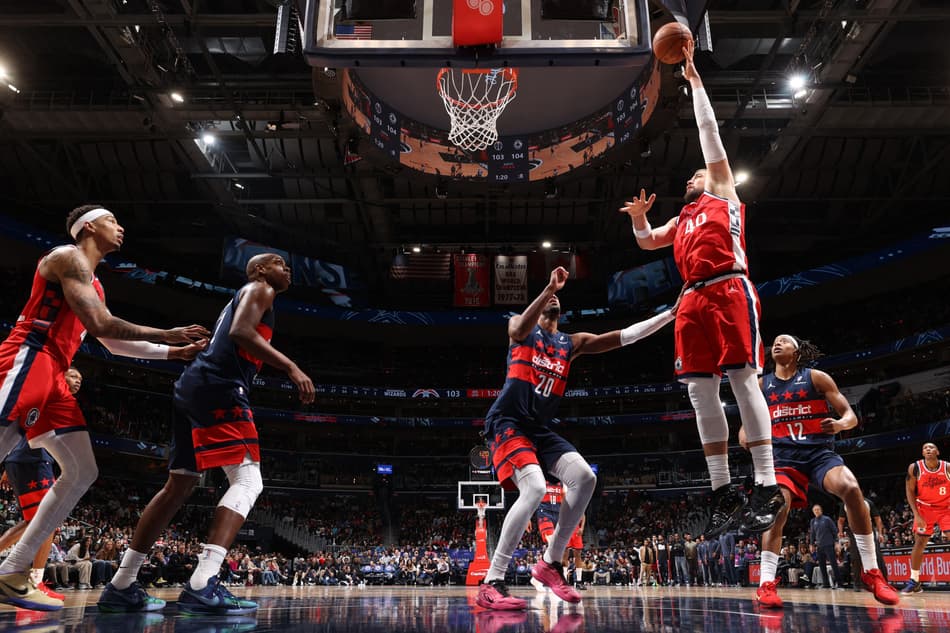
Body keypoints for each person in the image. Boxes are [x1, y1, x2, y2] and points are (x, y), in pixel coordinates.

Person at [0, 205, 208, 610]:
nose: (121, 227)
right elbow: (101, 324)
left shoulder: (94, 283)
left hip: (56, 372)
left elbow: (113, 343)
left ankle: (13, 570)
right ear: (89, 227)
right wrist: (167, 333)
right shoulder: (67, 257)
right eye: (112, 220)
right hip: (30, 355)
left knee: (82, 470)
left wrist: (172, 353)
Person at [619, 38, 782, 540]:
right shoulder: (683, 218)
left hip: (729, 288)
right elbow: (647, 242)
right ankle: (721, 489)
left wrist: (694, 83)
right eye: (691, 176)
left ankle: (766, 483)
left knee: (743, 380)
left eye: (698, 173)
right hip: (691, 299)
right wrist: (639, 220)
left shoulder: (723, 193)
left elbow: (709, 134)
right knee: (698, 390)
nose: (693, 177)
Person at [98, 252, 315, 615]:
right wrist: (291, 367)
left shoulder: (246, 295)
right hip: (219, 387)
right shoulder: (259, 288)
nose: (288, 268)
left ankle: (121, 584)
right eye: (279, 262)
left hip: (193, 386)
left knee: (178, 486)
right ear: (260, 270)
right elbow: (240, 332)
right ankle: (202, 583)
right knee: (248, 480)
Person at [476, 267, 677, 609]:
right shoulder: (521, 329)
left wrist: (670, 314)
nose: (554, 298)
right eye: (548, 298)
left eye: (557, 297)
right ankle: (492, 580)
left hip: (538, 428)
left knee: (585, 477)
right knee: (535, 487)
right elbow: (517, 327)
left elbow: (624, 336)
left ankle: (550, 563)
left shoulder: (570, 343)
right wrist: (547, 288)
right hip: (508, 422)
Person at [740, 334, 898, 608]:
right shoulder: (762, 385)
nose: (777, 343)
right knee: (777, 508)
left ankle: (872, 573)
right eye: (775, 341)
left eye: (784, 341)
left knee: (851, 487)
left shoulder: (816, 378)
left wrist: (839, 424)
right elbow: (744, 429)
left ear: (797, 351)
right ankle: (766, 584)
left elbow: (850, 416)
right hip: (783, 458)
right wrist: (746, 439)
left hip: (818, 454)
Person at [0, 366, 84, 602]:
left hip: (26, 460)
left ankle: (33, 579)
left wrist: (9, 460)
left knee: (34, 522)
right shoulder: (53, 394)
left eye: (81, 379)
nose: (78, 381)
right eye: (74, 376)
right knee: (47, 521)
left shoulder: (54, 398)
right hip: (33, 460)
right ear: (62, 377)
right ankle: (35, 582)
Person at [901, 442, 950, 593]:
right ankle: (914, 581)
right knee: (920, 543)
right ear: (923, 453)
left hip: (945, 508)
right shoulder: (915, 468)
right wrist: (916, 514)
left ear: (938, 452)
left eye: (931, 447)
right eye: (925, 448)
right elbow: (910, 491)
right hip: (924, 508)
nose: (928, 449)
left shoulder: (947, 467)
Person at [530, 480, 587, 592]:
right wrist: (528, 516)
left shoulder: (562, 482)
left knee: (556, 549)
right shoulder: (542, 479)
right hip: (544, 512)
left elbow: (566, 499)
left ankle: (537, 578)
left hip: (558, 515)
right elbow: (532, 496)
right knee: (552, 543)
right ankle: (550, 579)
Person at [838, 493, 887, 589]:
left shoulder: (868, 503)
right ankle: (857, 584)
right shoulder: (845, 504)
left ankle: (883, 581)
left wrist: (880, 533)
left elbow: (877, 519)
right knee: (855, 558)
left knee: (877, 556)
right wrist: (840, 532)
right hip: (854, 532)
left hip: (868, 530)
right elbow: (840, 520)